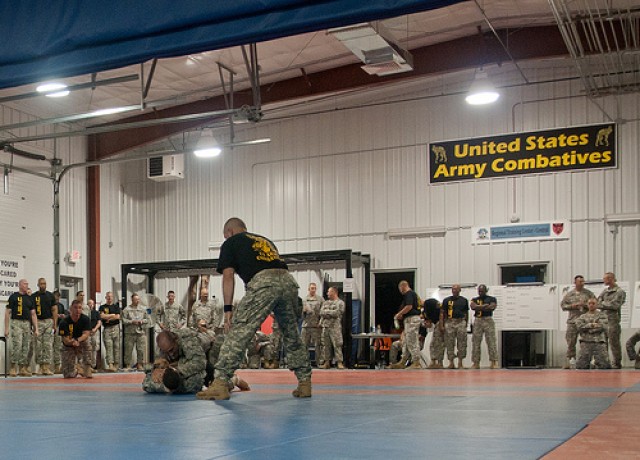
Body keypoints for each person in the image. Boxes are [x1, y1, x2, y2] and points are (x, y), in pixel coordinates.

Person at [196, 217, 311, 400]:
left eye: (226, 236)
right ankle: (305, 383)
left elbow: (228, 276)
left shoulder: (231, 243)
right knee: (291, 334)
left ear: (230, 232)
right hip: (289, 282)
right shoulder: (265, 240)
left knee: (238, 333)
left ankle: (220, 383)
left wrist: (228, 310)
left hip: (264, 284)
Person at [5, 279, 38, 377]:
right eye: (25, 283)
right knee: (17, 345)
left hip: (27, 324)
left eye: (27, 283)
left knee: (26, 346)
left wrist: (36, 328)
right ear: (20, 285)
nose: (27, 285)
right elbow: (7, 313)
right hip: (16, 322)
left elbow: (33, 314)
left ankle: (22, 368)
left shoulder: (30, 298)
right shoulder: (13, 296)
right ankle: (13, 367)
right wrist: (6, 328)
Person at [560, 275, 595, 369]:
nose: (582, 283)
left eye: (583, 281)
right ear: (575, 282)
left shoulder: (589, 294)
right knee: (571, 341)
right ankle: (571, 360)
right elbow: (563, 306)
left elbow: (595, 304)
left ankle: (587, 361)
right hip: (573, 321)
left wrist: (585, 305)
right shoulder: (569, 294)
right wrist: (573, 306)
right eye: (580, 281)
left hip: (585, 321)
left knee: (587, 341)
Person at [390, 281, 422, 369]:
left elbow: (409, 306)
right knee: (406, 341)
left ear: (403, 286)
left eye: (400, 289)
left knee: (412, 340)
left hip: (412, 319)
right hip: (409, 319)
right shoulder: (414, 295)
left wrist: (399, 314)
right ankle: (403, 361)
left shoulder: (409, 294)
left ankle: (416, 362)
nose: (400, 291)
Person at [597, 272, 626, 369]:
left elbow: (615, 305)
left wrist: (602, 304)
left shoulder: (619, 291)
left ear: (610, 279)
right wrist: (604, 303)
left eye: (605, 278)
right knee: (602, 343)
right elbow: (597, 301)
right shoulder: (605, 291)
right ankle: (604, 362)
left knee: (614, 343)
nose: (604, 280)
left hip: (613, 321)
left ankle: (616, 363)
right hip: (603, 320)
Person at [58, 299, 93, 378]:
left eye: (80, 308)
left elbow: (86, 334)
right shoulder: (64, 322)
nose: (78, 310)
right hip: (69, 345)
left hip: (81, 342)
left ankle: (87, 367)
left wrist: (77, 340)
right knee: (68, 375)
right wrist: (72, 342)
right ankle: (77, 369)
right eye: (75, 308)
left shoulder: (86, 319)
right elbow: (65, 340)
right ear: (71, 309)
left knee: (88, 343)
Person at [575, 298, 610, 369]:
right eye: (589, 303)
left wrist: (587, 327)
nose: (591, 305)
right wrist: (592, 325)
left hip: (599, 342)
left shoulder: (602, 316)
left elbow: (602, 326)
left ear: (597, 305)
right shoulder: (582, 316)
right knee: (581, 366)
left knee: (604, 365)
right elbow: (579, 327)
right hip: (585, 342)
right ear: (587, 305)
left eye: (593, 303)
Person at [32, 277, 57, 375]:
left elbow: (54, 310)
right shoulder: (34, 296)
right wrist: (33, 325)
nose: (43, 285)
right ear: (38, 285)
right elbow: (32, 312)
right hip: (38, 322)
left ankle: (46, 367)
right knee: (38, 345)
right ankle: (40, 367)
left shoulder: (50, 296)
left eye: (44, 283)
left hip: (48, 322)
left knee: (47, 345)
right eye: (41, 284)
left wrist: (55, 324)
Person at [470, 284, 498, 369]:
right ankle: (476, 362)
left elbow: (492, 307)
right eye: (479, 291)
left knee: (491, 341)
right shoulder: (474, 299)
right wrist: (484, 306)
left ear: (486, 291)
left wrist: (479, 307)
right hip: (478, 320)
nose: (480, 292)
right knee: (476, 342)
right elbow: (473, 307)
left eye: (482, 291)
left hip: (488, 320)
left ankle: (493, 362)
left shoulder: (492, 299)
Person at [441, 284, 469, 369]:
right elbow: (442, 313)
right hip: (449, 322)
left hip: (460, 322)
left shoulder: (464, 300)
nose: (454, 291)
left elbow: (466, 313)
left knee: (462, 343)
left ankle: (460, 363)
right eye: (453, 289)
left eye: (456, 289)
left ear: (460, 290)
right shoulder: (446, 300)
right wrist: (442, 325)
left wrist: (466, 323)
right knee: (449, 343)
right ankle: (451, 362)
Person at [122, 293, 150, 370]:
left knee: (141, 349)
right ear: (132, 299)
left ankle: (139, 364)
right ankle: (128, 365)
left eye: (138, 299)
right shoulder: (126, 309)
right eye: (135, 299)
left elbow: (147, 319)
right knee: (128, 349)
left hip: (140, 333)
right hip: (129, 333)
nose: (137, 301)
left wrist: (142, 321)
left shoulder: (143, 309)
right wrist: (131, 321)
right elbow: (123, 320)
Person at [319, 287, 345, 369]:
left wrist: (326, 313)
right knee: (325, 345)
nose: (327, 293)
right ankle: (327, 362)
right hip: (325, 327)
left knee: (337, 345)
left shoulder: (340, 303)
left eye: (329, 292)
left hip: (335, 327)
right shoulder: (325, 303)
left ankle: (339, 362)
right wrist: (330, 313)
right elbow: (321, 312)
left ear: (334, 292)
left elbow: (337, 313)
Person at [300, 282, 324, 366]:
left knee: (318, 345)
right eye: (311, 288)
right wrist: (303, 311)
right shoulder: (304, 300)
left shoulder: (320, 299)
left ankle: (319, 362)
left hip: (316, 326)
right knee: (303, 345)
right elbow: (300, 315)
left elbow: (323, 313)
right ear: (308, 289)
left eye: (314, 288)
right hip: (306, 326)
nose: (313, 290)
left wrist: (320, 323)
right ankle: (304, 363)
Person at [99, 291, 121, 372]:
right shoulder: (102, 307)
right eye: (108, 296)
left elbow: (118, 317)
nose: (109, 298)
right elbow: (102, 316)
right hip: (107, 329)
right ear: (106, 297)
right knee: (108, 347)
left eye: (111, 296)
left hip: (115, 328)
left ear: (113, 297)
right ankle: (110, 364)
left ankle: (116, 364)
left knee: (116, 347)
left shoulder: (116, 307)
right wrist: (112, 315)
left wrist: (107, 317)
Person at [423, 298, 444, 369]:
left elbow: (441, 312)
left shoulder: (429, 302)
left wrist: (441, 325)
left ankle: (439, 362)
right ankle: (434, 361)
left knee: (438, 344)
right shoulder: (425, 312)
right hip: (437, 324)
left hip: (440, 323)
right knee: (433, 344)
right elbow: (429, 324)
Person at [52, 290, 66, 373]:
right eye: (55, 296)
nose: (57, 298)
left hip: (59, 326)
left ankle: (58, 365)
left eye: (58, 297)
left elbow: (64, 314)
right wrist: (55, 315)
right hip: (51, 326)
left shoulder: (61, 305)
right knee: (49, 346)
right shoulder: (50, 304)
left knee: (58, 346)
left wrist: (62, 316)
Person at [87, 299, 102, 369]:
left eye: (92, 304)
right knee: (87, 349)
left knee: (94, 349)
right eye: (89, 303)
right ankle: (87, 365)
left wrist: (95, 329)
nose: (90, 305)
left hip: (95, 332)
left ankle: (93, 365)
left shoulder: (96, 313)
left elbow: (99, 322)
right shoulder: (84, 313)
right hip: (86, 333)